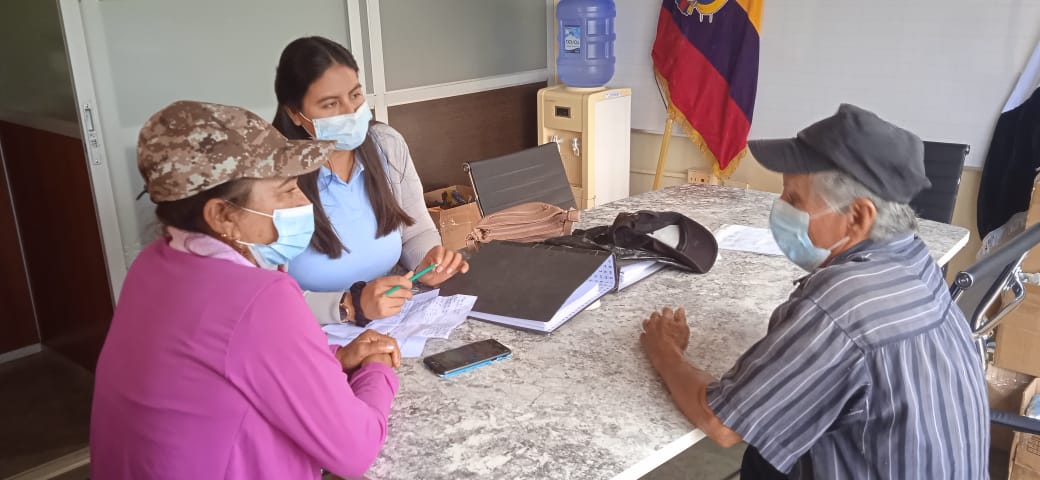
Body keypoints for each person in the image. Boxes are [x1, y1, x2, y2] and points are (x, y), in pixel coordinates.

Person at [640, 104, 989, 479]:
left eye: (794, 200)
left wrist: (666, 352)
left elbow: (721, 424)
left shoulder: (841, 304)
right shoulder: (915, 259)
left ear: (858, 217)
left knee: (758, 455)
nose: (780, 209)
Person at [91, 101, 402, 479]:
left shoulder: (153, 263)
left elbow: (230, 365)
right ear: (222, 216)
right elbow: (355, 449)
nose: (304, 202)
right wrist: (376, 368)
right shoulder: (259, 298)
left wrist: (333, 359)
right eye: (287, 191)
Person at [271, 36, 467, 327]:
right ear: (294, 113)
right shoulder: (271, 177)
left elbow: (416, 230)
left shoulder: (385, 144)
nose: (350, 112)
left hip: (390, 320)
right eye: (330, 104)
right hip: (309, 333)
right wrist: (350, 305)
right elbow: (260, 296)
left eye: (355, 95)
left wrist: (426, 262)